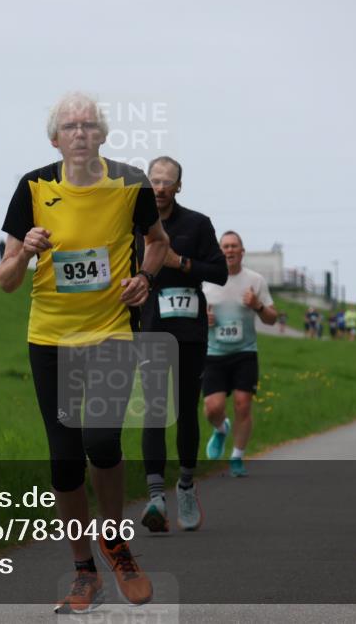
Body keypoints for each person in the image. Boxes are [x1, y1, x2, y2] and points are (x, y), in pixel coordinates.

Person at [0, 92, 169, 613]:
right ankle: (83, 571)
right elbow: (5, 280)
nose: (80, 132)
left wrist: (144, 276)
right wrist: (25, 250)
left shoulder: (131, 183)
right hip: (50, 339)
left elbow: (157, 241)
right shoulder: (32, 187)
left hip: (112, 332)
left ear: (103, 134)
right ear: (55, 138)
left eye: (89, 124)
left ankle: (115, 543)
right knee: (65, 461)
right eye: (70, 125)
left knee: (101, 440)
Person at [137, 156, 227, 534]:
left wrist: (182, 262)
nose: (159, 187)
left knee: (187, 410)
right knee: (154, 410)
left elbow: (219, 273)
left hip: (189, 331)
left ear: (178, 187)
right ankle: (155, 497)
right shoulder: (132, 223)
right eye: (153, 180)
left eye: (166, 182)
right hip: (151, 328)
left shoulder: (197, 224)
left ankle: (186, 485)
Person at [203, 231, 278, 476]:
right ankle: (221, 428)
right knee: (212, 408)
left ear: (242, 251)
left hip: (245, 351)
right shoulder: (206, 282)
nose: (230, 250)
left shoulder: (255, 281)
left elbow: (271, 318)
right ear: (219, 251)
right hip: (213, 353)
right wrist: (203, 319)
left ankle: (237, 456)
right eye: (225, 246)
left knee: (243, 405)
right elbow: (193, 317)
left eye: (234, 246)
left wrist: (257, 305)